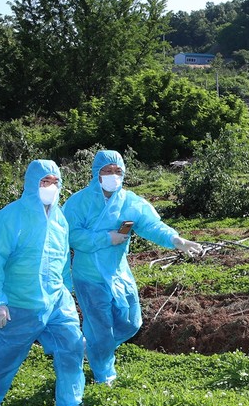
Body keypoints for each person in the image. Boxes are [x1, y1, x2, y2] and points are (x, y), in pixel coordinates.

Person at [63, 150, 203, 386]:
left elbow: (152, 225)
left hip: (119, 273)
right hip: (89, 276)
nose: (112, 176)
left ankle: (95, 347)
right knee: (100, 329)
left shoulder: (130, 201)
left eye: (117, 171)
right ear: (96, 173)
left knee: (131, 323)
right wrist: (107, 238)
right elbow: (71, 235)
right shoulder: (78, 202)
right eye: (107, 171)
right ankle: (103, 374)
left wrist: (177, 241)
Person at [0, 159, 86, 406]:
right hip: (19, 303)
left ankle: (69, 404)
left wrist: (67, 291)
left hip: (56, 300)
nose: (50, 187)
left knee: (72, 345)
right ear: (31, 184)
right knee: (6, 356)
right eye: (44, 182)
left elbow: (61, 258)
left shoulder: (60, 219)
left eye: (54, 182)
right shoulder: (8, 218)